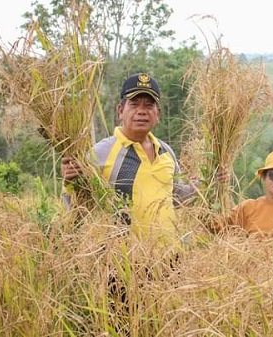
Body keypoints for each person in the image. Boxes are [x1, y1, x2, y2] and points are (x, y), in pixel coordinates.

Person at [61, 72, 226, 242]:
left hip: (170, 260)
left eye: (148, 105)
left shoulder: (165, 152)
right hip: (124, 261)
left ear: (158, 113)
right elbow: (77, 205)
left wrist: (209, 181)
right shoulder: (101, 153)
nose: (141, 111)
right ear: (120, 111)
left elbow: (175, 196)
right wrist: (70, 182)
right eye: (134, 104)